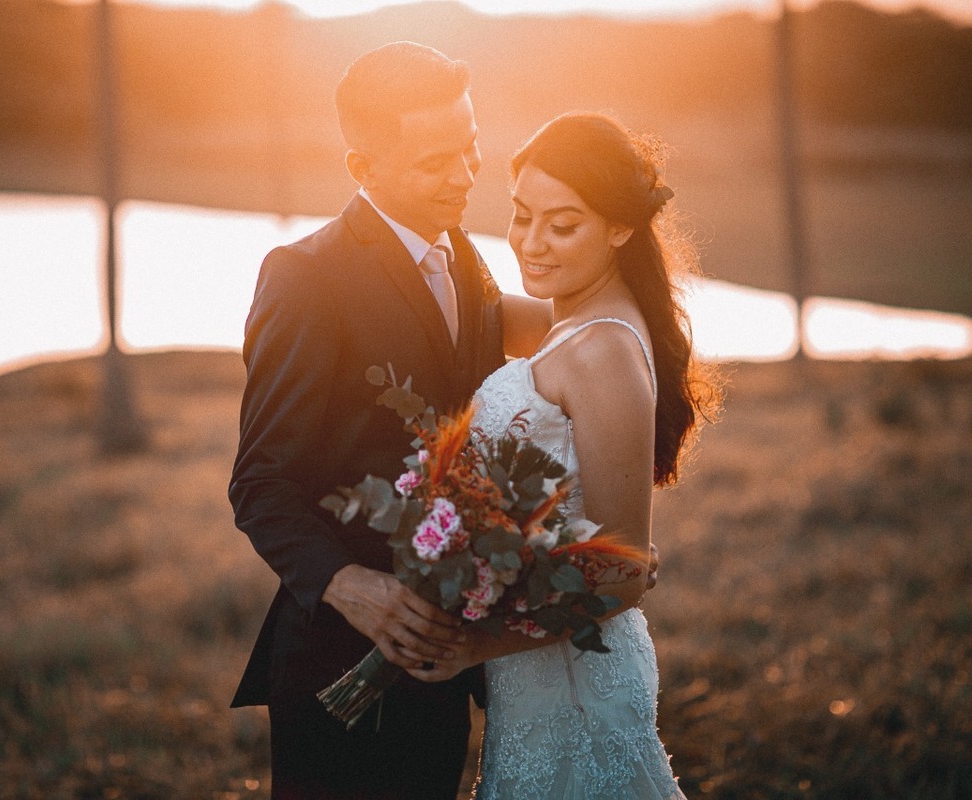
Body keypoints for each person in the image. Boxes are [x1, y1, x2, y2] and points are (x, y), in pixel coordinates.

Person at [228, 42, 551, 798]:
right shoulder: (306, 277)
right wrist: (352, 587)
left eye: (470, 149)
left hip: (444, 661)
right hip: (336, 665)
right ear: (363, 169)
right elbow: (261, 484)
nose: (465, 175)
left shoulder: (466, 257)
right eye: (436, 161)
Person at [408, 112, 719, 798]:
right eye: (521, 216)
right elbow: (460, 315)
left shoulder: (604, 349)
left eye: (563, 223)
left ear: (620, 226)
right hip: (535, 674)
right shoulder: (563, 320)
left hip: (576, 677)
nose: (532, 243)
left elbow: (623, 575)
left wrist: (474, 644)